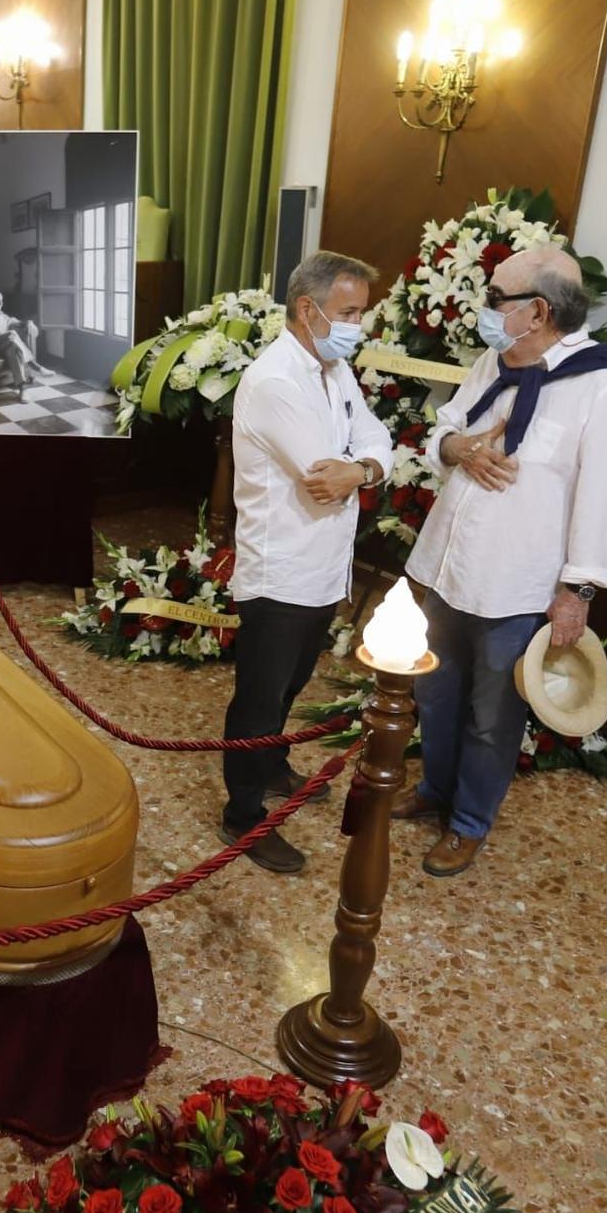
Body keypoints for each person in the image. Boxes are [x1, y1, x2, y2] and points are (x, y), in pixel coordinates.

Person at [397, 245, 607, 877]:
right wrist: (458, 448)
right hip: (450, 566)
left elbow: (606, 495)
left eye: (495, 298)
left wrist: (578, 592)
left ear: (537, 312)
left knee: (491, 715)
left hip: (519, 583)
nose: (484, 309)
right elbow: (443, 428)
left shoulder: (605, 385)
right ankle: (434, 792)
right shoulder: (492, 360)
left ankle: (469, 822)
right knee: (436, 691)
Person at [220, 251, 393, 873]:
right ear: (307, 309)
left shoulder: (333, 368)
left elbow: (375, 439)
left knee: (292, 683)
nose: (357, 325)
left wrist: (365, 467)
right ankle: (241, 815)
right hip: (281, 568)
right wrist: (354, 467)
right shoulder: (276, 381)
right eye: (348, 312)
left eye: (360, 313)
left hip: (323, 567)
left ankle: (269, 767)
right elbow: (323, 476)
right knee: (260, 698)